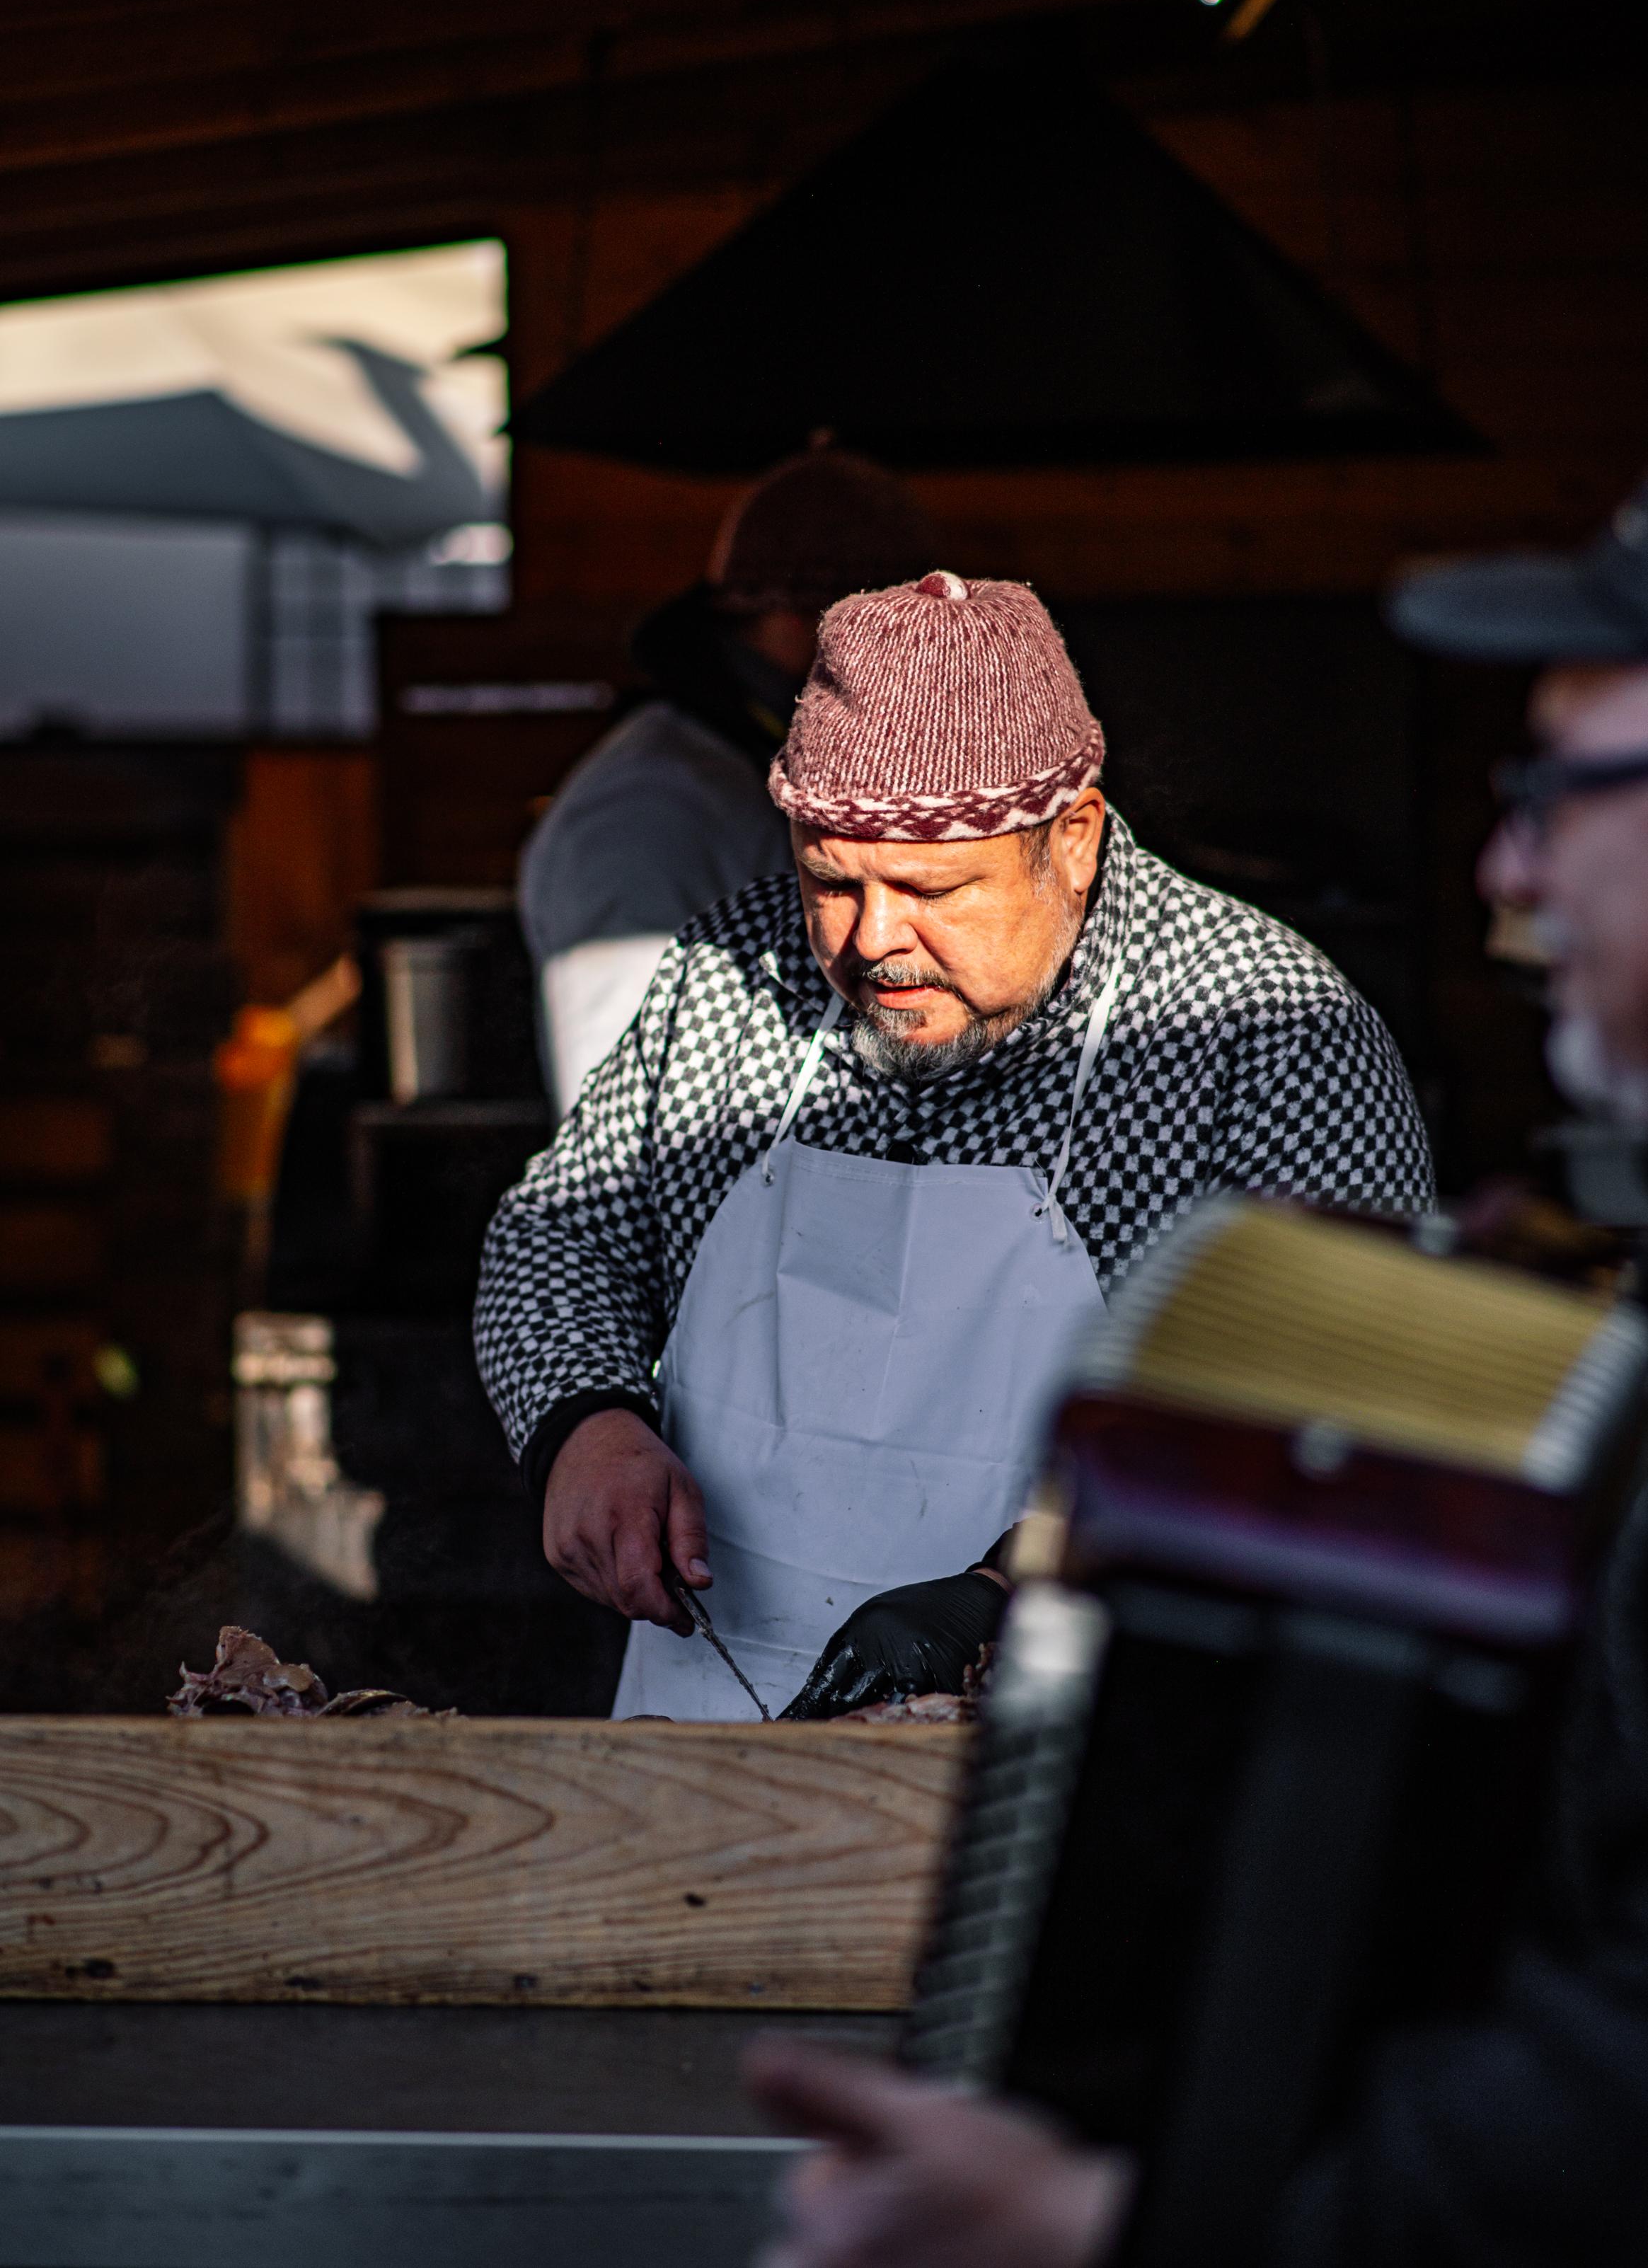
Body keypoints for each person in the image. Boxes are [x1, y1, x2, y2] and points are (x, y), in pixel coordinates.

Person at [743, 476, 1648, 2267]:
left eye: (1555, 794)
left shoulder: (1266, 1021)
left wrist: (1117, 2229)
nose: (1502, 871)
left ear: (1065, 843)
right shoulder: (747, 1000)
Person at [476, 567, 1429, 1725]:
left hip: (1090, 1732)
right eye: (830, 880)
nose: (873, 942)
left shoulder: (1263, 1028)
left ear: (1070, 837)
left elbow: (1335, 1403)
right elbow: (562, 1230)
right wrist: (587, 1425)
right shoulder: (727, 974)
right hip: (718, 1725)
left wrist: (1003, 1590)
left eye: (931, 889)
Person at [517, 445, 940, 1114]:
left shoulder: (760, 777)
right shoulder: (651, 812)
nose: (919, 675)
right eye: (902, 637)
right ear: (813, 616)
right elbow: (637, 1122)